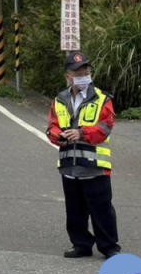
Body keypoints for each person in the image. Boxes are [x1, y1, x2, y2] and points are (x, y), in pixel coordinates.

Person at [46, 50, 121, 259]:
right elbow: (52, 126)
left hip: (95, 166)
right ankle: (81, 244)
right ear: (67, 76)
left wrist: (81, 133)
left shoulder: (102, 99)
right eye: (77, 72)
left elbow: (105, 127)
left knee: (101, 208)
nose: (82, 75)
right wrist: (58, 136)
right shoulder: (60, 99)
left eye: (85, 70)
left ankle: (109, 247)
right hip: (70, 165)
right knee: (75, 209)